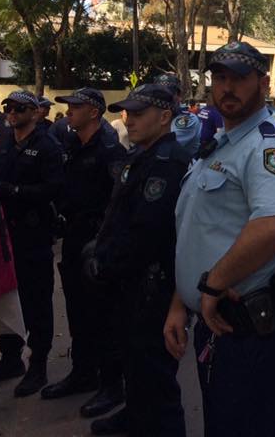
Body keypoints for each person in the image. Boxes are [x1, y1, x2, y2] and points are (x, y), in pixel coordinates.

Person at [165, 41, 275, 437]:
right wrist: (183, 300)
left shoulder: (268, 146)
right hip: (219, 322)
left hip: (253, 329)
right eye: (220, 77)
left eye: (239, 78)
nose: (227, 87)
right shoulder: (221, 145)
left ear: (263, 83)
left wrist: (211, 284)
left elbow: (273, 226)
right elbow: (201, 231)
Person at [85, 84, 190, 437]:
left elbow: (147, 233)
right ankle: (135, 417)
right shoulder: (140, 156)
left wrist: (106, 261)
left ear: (164, 117)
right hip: (128, 285)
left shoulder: (168, 162)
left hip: (150, 286)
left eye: (138, 113)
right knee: (135, 367)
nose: (128, 119)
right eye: (126, 112)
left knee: (154, 376)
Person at [41, 89, 127, 419]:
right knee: (77, 311)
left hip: (98, 244)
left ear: (93, 112)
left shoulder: (109, 149)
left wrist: (103, 246)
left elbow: (117, 202)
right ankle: (83, 371)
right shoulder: (72, 144)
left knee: (102, 316)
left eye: (75, 108)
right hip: (74, 239)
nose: (68, 113)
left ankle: (111, 384)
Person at [0, 91, 64, 396]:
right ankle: (10, 358)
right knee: (10, 298)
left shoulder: (47, 146)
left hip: (35, 236)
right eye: (9, 108)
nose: (12, 113)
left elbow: (54, 188)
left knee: (37, 301)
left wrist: (15, 191)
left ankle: (38, 365)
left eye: (19, 108)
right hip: (7, 237)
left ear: (36, 112)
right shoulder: (4, 142)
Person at [154, 73, 201, 156]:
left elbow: (162, 147)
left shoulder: (188, 119)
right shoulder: (154, 115)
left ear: (179, 96)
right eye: (159, 94)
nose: (163, 97)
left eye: (168, 94)